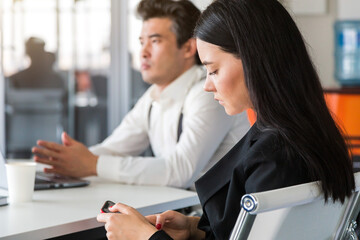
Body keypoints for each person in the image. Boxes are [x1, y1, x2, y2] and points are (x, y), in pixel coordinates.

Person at [96, 0, 355, 239]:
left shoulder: (275, 156)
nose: (207, 85)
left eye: (214, 70)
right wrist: (196, 229)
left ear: (254, 60)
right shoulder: (301, 134)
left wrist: (146, 237)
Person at [31, 0, 250, 188]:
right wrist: (62, 162)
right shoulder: (155, 95)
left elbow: (180, 170)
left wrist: (93, 164)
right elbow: (115, 148)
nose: (143, 52)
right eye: (141, 42)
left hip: (214, 222)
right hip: (186, 213)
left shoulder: (208, 93)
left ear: (188, 48)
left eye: (155, 41)